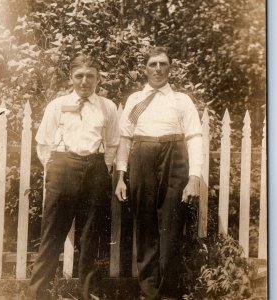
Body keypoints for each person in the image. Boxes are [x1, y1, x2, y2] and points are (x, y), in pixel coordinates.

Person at [28, 54, 120, 300]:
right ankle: (36, 294)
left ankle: (87, 293)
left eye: (90, 76)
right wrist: (56, 166)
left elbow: (112, 144)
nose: (84, 81)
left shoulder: (107, 107)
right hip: (63, 167)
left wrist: (103, 168)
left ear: (98, 79)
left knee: (91, 235)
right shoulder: (57, 105)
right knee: (52, 234)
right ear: (71, 78)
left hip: (95, 169)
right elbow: (43, 143)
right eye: (79, 76)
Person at [115, 47, 203, 300]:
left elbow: (195, 136)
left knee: (171, 226)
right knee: (144, 226)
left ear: (170, 68)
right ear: (145, 69)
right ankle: (148, 293)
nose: (157, 69)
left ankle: (169, 294)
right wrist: (121, 175)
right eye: (152, 64)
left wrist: (194, 177)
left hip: (174, 159)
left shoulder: (181, 100)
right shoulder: (135, 100)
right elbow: (124, 139)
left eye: (162, 64)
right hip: (142, 158)